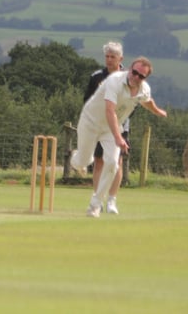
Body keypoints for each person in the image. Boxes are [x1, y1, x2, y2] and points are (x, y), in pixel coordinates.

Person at [71, 56, 167, 217]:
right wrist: (118, 137)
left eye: (141, 76)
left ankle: (95, 205)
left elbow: (146, 100)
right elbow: (110, 111)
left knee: (113, 163)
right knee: (83, 162)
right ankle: (77, 157)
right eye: (134, 72)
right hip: (91, 122)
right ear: (130, 69)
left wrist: (157, 111)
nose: (136, 77)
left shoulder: (144, 89)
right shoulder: (114, 81)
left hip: (110, 129)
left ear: (145, 78)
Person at [84, 41, 127, 215]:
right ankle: (97, 199)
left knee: (116, 162)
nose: (109, 60)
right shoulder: (96, 77)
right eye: (107, 57)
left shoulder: (127, 78)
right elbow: (87, 101)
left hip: (120, 125)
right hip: (99, 126)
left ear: (120, 58)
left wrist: (119, 120)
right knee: (99, 161)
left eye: (113, 57)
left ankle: (112, 201)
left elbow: (133, 103)